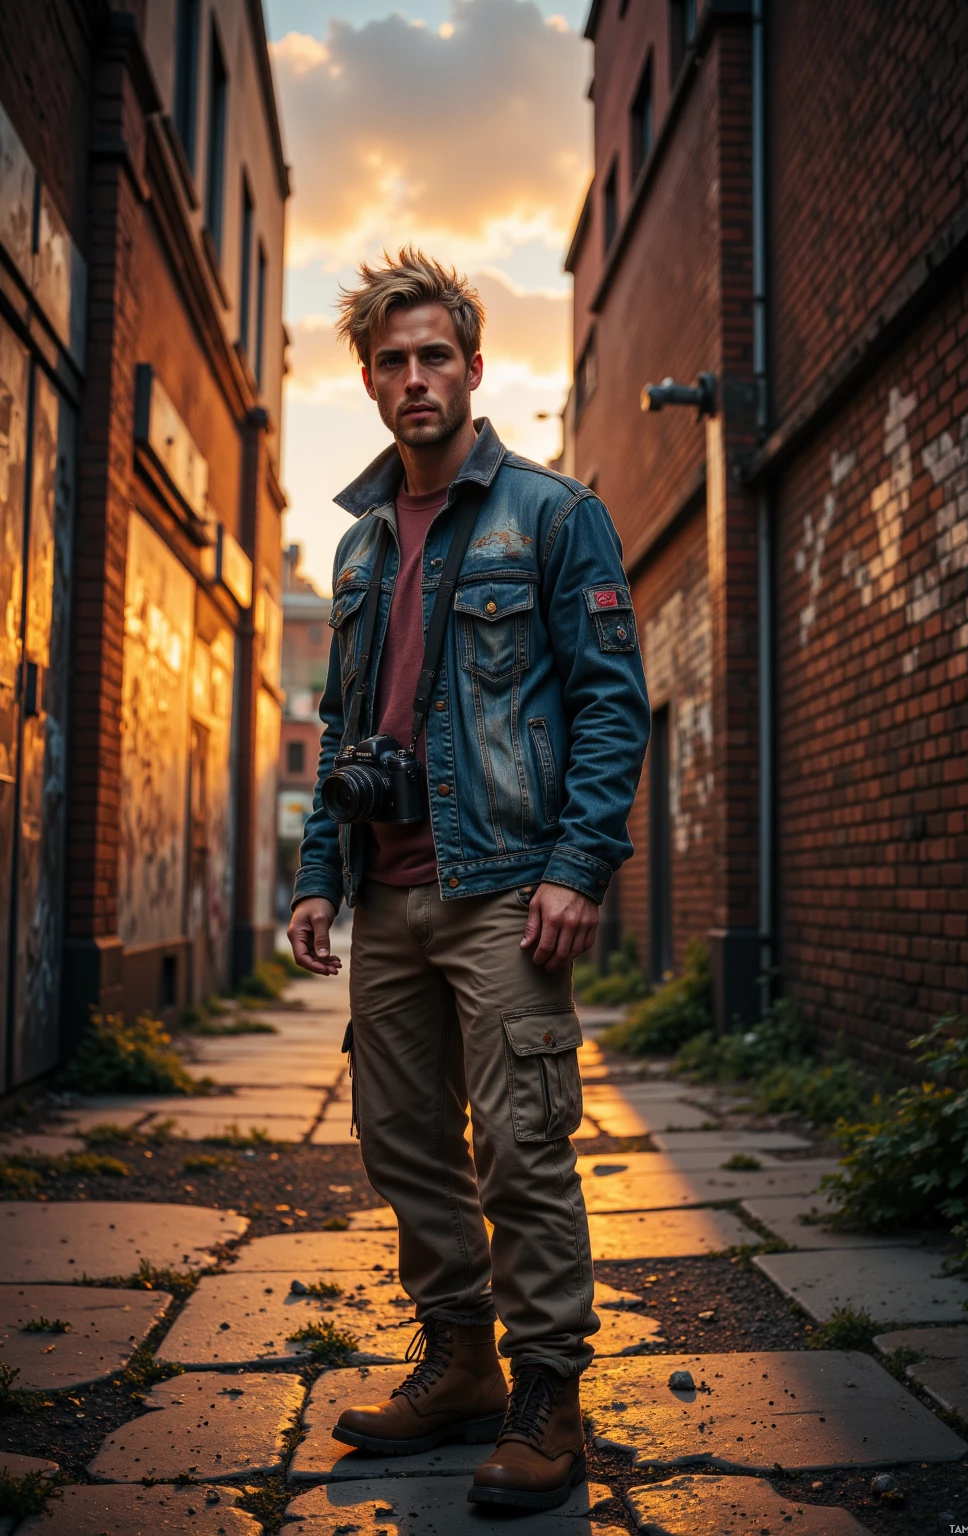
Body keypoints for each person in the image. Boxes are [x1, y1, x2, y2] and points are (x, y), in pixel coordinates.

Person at [288, 248, 650, 1511]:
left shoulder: (552, 514)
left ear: (474, 368)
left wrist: (579, 865)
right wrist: (316, 875)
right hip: (386, 895)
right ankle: (460, 1364)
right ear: (371, 382)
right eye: (390, 360)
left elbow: (611, 703)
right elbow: (344, 729)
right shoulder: (358, 545)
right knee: (400, 1146)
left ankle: (550, 1395)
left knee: (522, 1144)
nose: (413, 376)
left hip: (506, 885)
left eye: (434, 354)